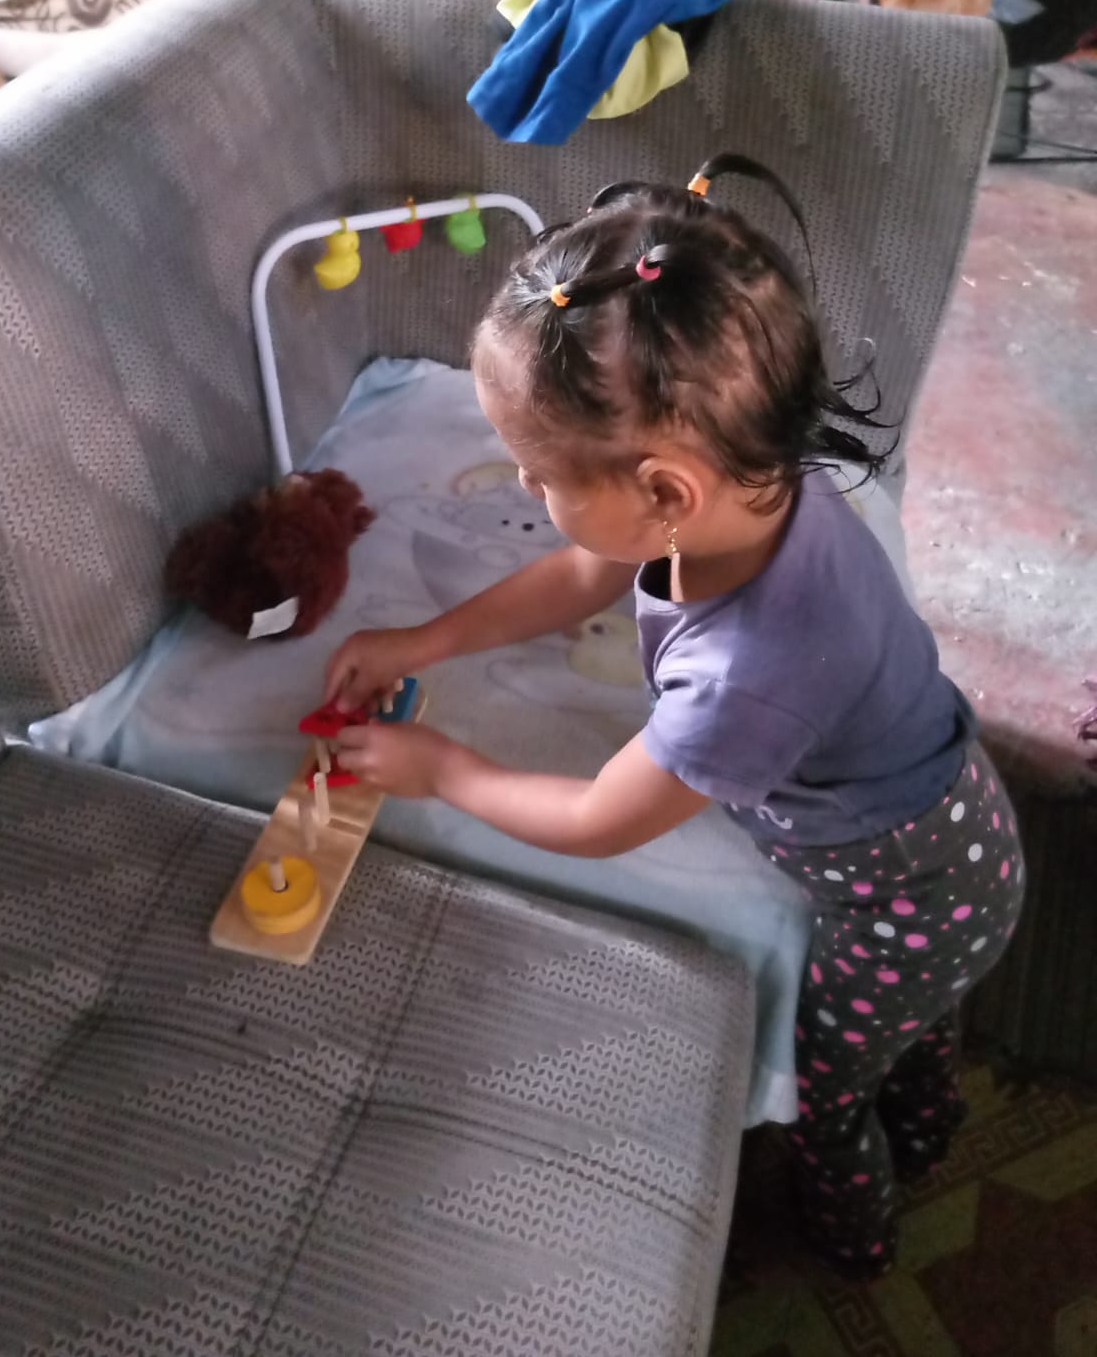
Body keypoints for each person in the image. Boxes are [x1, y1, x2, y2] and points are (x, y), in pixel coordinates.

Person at [329, 155, 1025, 1275]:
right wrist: (422, 642)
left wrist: (442, 769)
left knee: (826, 1085)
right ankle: (928, 1111)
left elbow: (601, 818)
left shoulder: (744, 673)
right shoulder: (756, 481)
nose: (526, 490)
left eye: (538, 473)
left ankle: (855, 1235)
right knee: (913, 1026)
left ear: (662, 491)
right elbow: (581, 574)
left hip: (916, 892)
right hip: (948, 815)